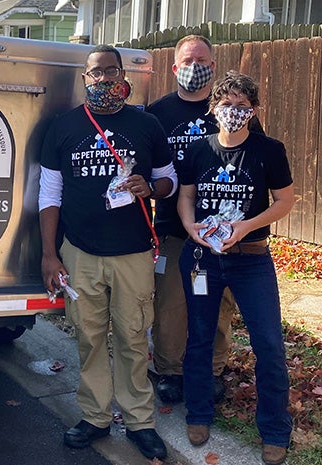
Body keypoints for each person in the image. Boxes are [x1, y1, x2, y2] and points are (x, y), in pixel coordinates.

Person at [39, 44, 176, 461]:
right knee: (90, 338)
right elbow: (49, 193)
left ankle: (139, 421)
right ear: (85, 79)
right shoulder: (63, 127)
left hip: (133, 252)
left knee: (134, 337)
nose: (103, 80)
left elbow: (168, 177)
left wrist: (150, 188)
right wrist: (50, 254)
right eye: (95, 73)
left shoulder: (146, 123)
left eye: (110, 72)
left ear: (123, 77)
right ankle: (95, 416)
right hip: (78, 252)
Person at [177, 71, 293, 465]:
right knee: (199, 337)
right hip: (204, 259)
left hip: (252, 259)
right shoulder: (198, 150)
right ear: (214, 109)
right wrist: (190, 225)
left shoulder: (269, 150)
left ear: (254, 110)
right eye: (226, 105)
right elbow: (186, 195)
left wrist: (247, 225)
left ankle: (275, 430)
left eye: (242, 106)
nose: (233, 112)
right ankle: (198, 413)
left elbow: (285, 201)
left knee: (270, 345)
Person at [146, 35, 234, 404]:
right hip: (172, 227)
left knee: (219, 304)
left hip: (222, 229)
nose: (194, 66)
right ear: (175, 67)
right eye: (187, 60)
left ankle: (213, 369)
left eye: (202, 60)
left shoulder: (229, 110)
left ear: (212, 67)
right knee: (170, 304)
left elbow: (252, 161)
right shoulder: (158, 113)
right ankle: (170, 371)